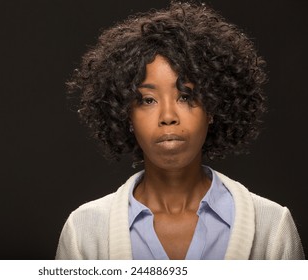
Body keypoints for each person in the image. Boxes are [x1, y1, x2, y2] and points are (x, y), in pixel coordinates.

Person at [55, 1, 305, 260]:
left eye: (185, 96)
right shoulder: (83, 231)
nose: (168, 117)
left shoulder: (272, 227)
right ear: (125, 114)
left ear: (212, 107)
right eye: (147, 100)